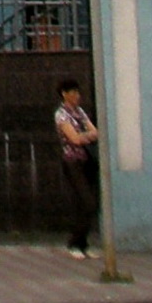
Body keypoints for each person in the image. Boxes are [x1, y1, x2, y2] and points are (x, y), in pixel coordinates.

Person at [55, 80, 100, 257]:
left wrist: (85, 136)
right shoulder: (61, 115)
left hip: (87, 160)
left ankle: (83, 244)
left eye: (78, 92)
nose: (77, 96)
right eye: (73, 92)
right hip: (72, 161)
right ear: (64, 94)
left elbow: (95, 132)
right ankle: (74, 242)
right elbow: (74, 139)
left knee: (89, 203)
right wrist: (86, 136)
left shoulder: (80, 112)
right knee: (85, 201)